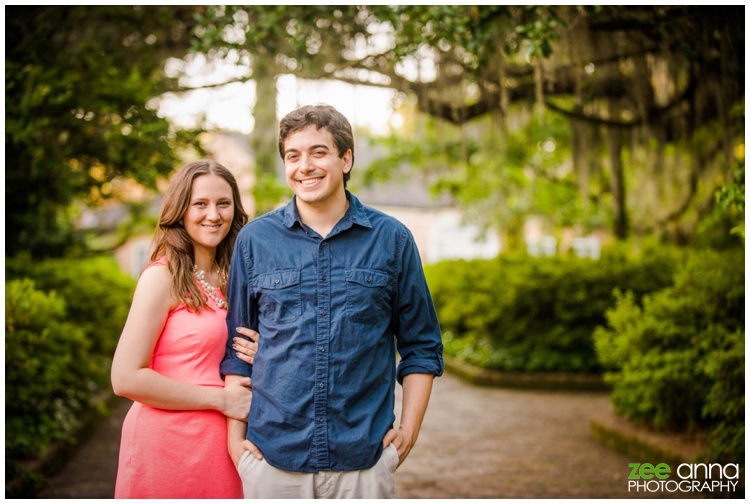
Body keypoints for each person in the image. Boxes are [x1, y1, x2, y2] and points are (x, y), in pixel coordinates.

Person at [221, 104, 444, 499]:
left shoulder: (392, 239)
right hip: (272, 460)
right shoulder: (255, 241)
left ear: (346, 158)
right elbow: (237, 350)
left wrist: (408, 432)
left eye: (318, 152)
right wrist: (236, 445)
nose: (304, 166)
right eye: (293, 156)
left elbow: (422, 346)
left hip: (363, 458)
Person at [111, 159, 259, 498]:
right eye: (200, 204)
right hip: (166, 447)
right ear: (181, 210)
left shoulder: (233, 281)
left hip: (223, 449)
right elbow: (125, 377)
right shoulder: (161, 277)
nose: (214, 214)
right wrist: (222, 401)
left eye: (224, 203)